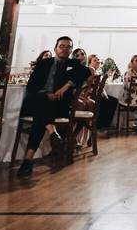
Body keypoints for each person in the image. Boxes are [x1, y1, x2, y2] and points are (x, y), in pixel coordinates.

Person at [16, 36, 91, 178]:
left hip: (58, 104)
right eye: (61, 46)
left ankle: (28, 161)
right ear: (55, 48)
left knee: (40, 118)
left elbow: (86, 72)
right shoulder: (45, 63)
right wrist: (46, 94)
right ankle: (51, 133)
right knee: (41, 101)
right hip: (40, 99)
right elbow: (31, 86)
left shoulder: (73, 64)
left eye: (68, 47)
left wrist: (66, 86)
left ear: (71, 50)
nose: (65, 49)